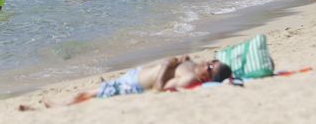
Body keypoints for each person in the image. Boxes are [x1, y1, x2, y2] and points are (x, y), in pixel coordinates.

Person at [55, 56, 232, 104]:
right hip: (135, 75)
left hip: (133, 85)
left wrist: (165, 65)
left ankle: (60, 107)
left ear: (208, 77)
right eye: (213, 61)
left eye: (211, 67)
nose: (209, 62)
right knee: (99, 89)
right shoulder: (193, 69)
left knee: (88, 93)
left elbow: (160, 88)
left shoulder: (189, 79)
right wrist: (185, 60)